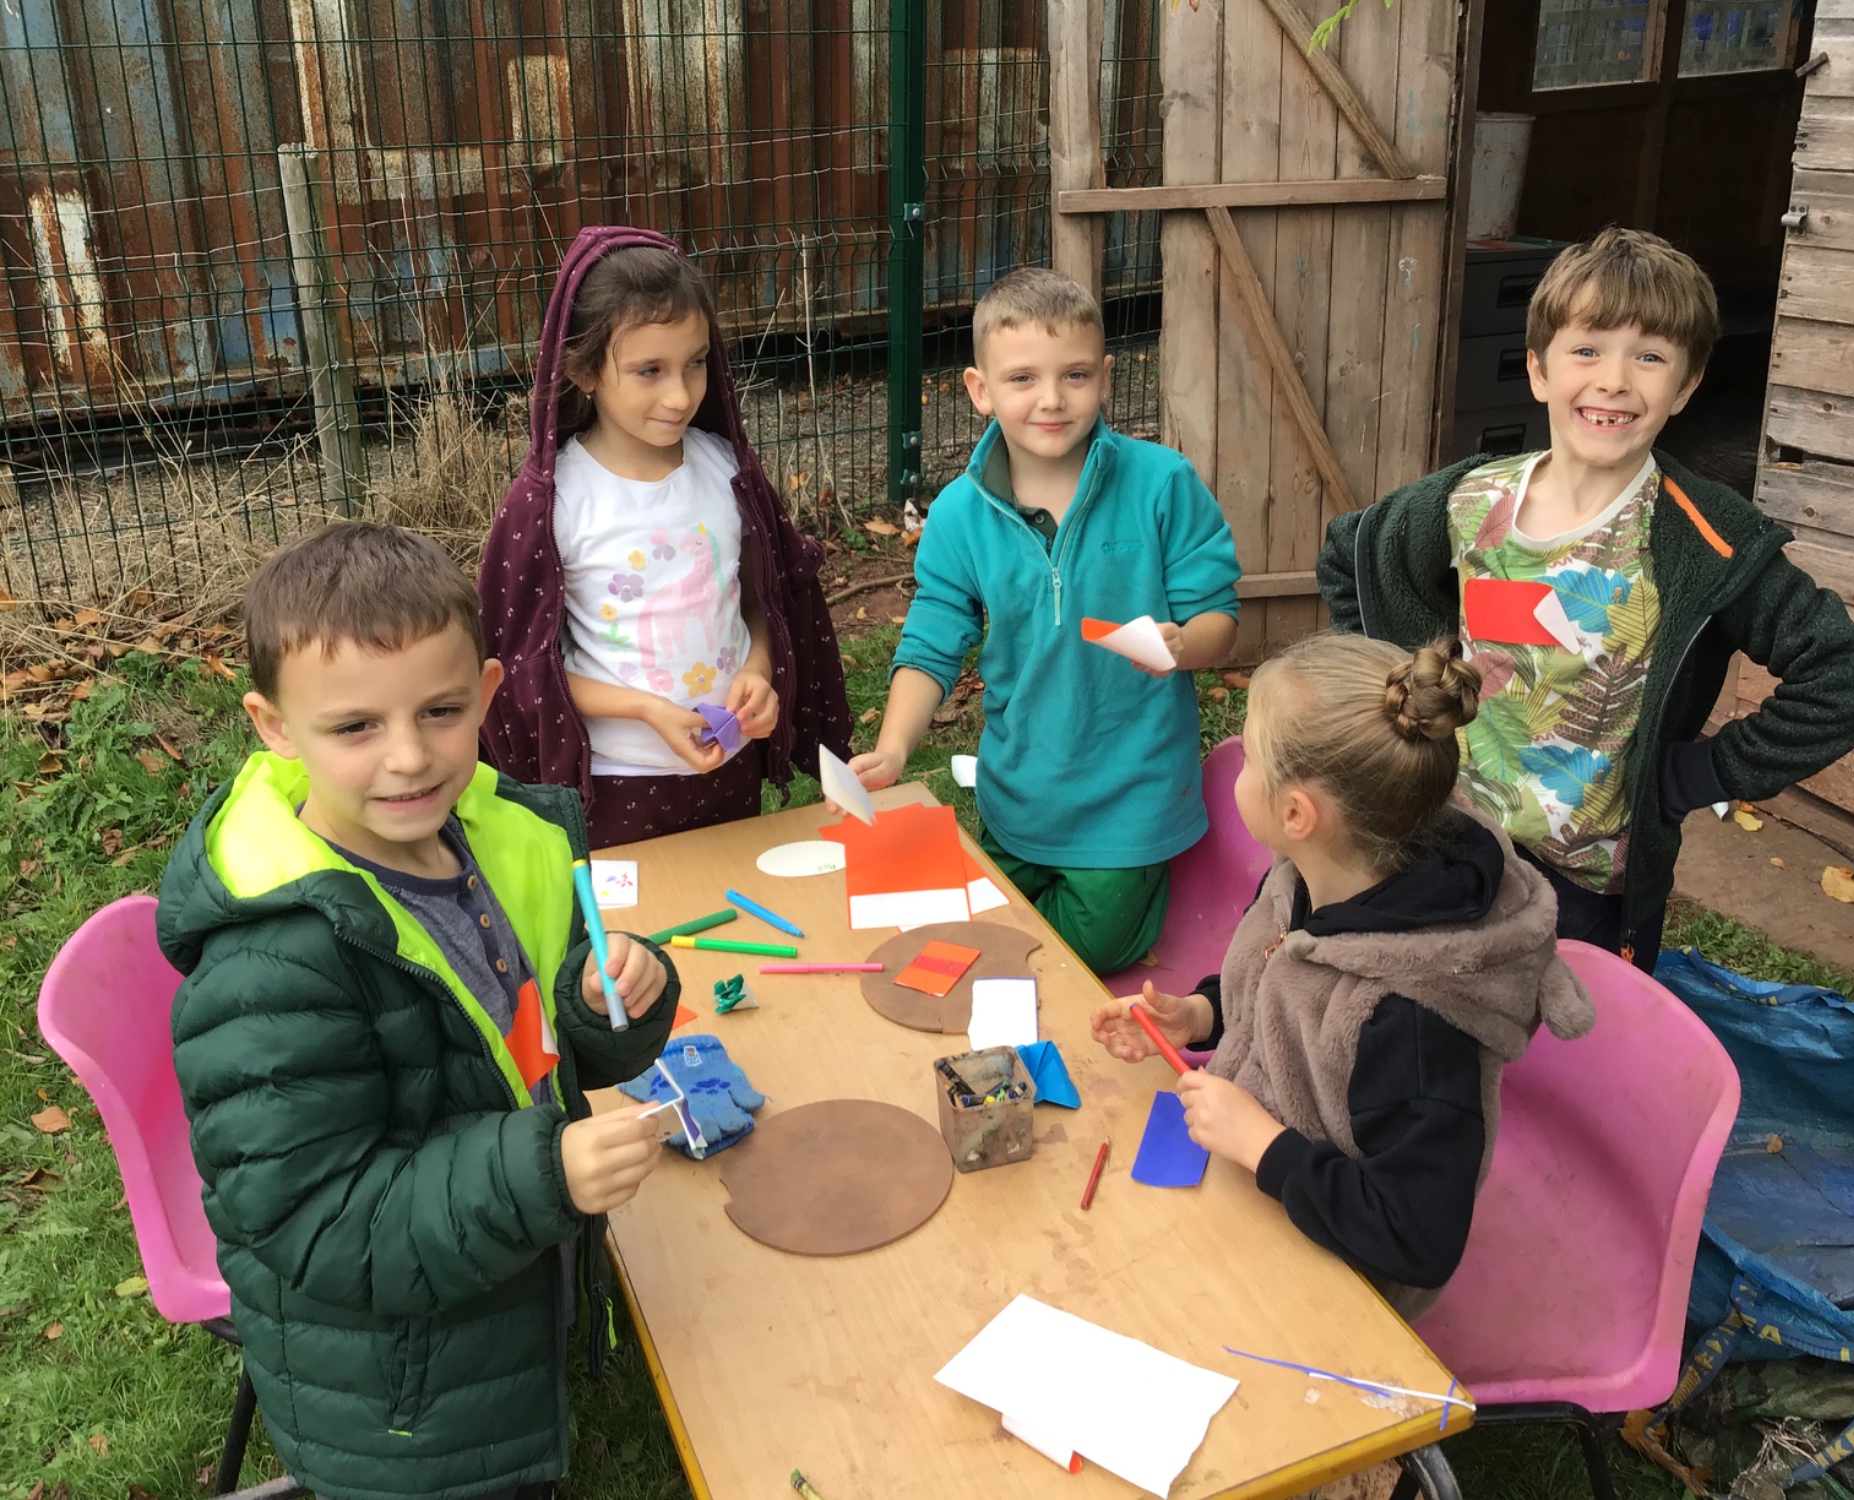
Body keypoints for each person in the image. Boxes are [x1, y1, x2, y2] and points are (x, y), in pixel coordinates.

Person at [160, 523, 678, 1500]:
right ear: (275, 727)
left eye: (440, 712)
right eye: (355, 727)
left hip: (491, 1305)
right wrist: (542, 1172)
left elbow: (528, 1051)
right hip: (401, 1393)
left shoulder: (496, 844)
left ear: (485, 692)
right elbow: (318, 1222)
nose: (409, 758)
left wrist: (605, 1000)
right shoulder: (273, 964)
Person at [1318, 227, 1854, 972]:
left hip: (1590, 884)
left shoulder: (1702, 539)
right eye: (1587, 350)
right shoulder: (1468, 501)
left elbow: (1849, 682)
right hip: (1448, 834)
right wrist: (1402, 692)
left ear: (1686, 386)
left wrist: (1692, 778)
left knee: (1573, 1036)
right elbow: (1352, 551)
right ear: (1538, 369)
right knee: (1430, 1006)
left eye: (1649, 357)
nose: (1615, 380)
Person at [1091, 632, 1594, 1317]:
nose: (1236, 768)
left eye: (1249, 758)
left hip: (1345, 1283)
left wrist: (1263, 1146)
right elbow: (1285, 987)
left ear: (1296, 813)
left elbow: (1417, 1238)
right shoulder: (1313, 873)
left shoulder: (1411, 1019)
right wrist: (1202, 1014)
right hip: (1263, 1186)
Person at [853, 266, 1241, 974]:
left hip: (1135, 794)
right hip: (1020, 792)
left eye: (1076, 375)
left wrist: (1183, 645)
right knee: (975, 936)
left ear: (1106, 377)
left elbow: (1219, 618)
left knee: (1083, 953)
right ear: (980, 390)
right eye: (1023, 378)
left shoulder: (1164, 483)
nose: (1052, 399)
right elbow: (931, 641)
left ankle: (1139, 893)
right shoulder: (959, 514)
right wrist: (895, 748)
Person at [480, 226, 852, 847]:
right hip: (616, 783)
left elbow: (760, 602)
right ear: (583, 369)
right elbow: (524, 664)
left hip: (730, 763)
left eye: (696, 362)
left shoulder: (726, 470)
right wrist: (646, 709)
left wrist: (759, 669)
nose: (680, 395)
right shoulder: (555, 502)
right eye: (649, 370)